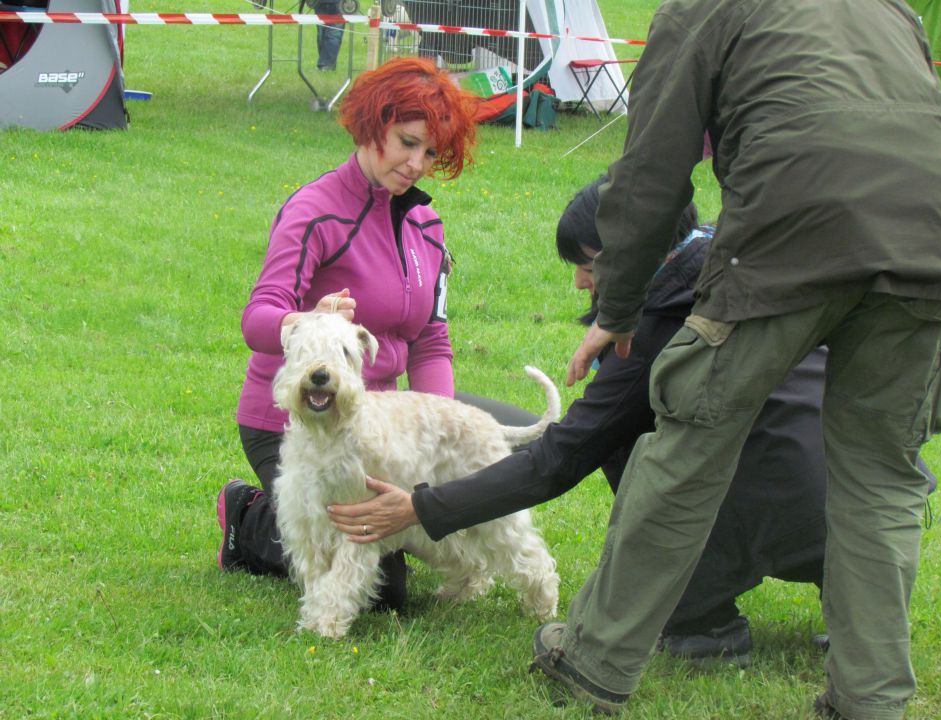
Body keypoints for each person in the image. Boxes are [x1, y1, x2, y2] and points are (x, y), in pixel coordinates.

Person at [527, 2, 941, 718]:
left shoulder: (701, 9)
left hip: (794, 225)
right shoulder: (887, 7)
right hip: (932, 228)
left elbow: (650, 168)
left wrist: (618, 309)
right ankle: (871, 699)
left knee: (688, 449)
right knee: (881, 479)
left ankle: (594, 660)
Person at [328, 176, 900, 664]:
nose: (579, 281)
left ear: (637, 251)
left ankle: (701, 617)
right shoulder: (738, 255)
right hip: (869, 513)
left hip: (779, 508)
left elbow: (563, 457)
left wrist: (421, 506)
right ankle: (852, 606)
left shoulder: (652, 335)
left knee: (625, 442)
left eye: (590, 265)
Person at [215, 57, 482, 613]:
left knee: (497, 453)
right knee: (386, 592)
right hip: (298, 420)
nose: (416, 164)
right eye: (406, 143)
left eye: (430, 153)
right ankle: (249, 514)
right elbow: (259, 317)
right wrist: (309, 320)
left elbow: (432, 339)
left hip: (382, 422)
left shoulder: (427, 227)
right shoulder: (313, 210)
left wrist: (437, 433)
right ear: (371, 126)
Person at [308, 0, 345, 72]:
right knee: (321, 35)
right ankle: (325, 64)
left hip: (339, 4)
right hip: (320, 4)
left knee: (333, 35)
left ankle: (327, 65)